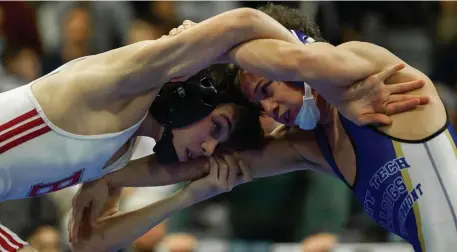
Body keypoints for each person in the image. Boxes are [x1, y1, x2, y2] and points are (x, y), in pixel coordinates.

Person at [73, 4, 454, 252]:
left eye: (267, 88)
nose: (269, 108)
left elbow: (303, 55)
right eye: (260, 103)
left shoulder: (365, 64)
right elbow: (192, 168)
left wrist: (209, 45)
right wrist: (109, 179)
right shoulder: (310, 145)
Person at [0, 8, 318, 252]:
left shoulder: (121, 150)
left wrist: (188, 196)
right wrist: (310, 64)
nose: (208, 149)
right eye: (216, 129)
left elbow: (87, 242)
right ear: (197, 89)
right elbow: (244, 22)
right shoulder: (128, 82)